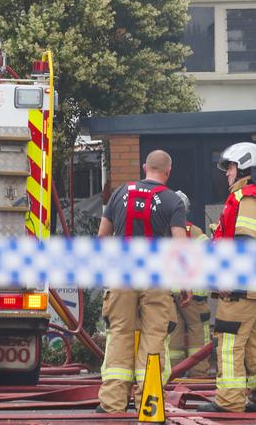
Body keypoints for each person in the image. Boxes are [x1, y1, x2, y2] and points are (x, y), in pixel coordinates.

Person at [97, 150, 187, 414]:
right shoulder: (173, 201)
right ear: (168, 172)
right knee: (154, 337)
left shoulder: (120, 193)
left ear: (144, 167)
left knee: (119, 335)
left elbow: (103, 236)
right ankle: (148, 402)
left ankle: (112, 404)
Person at [197, 142, 256, 413]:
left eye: (231, 167)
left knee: (229, 343)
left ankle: (229, 401)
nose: (226, 173)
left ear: (244, 166)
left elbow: (246, 243)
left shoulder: (246, 197)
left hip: (243, 287)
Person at [169, 190, 212, 378]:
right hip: (193, 295)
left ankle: (172, 372)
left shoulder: (163, 231)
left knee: (173, 334)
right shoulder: (195, 233)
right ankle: (199, 372)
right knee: (198, 333)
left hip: (169, 294)